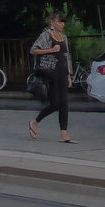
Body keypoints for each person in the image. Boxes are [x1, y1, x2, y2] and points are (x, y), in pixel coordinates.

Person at [28, 11, 76, 144]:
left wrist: (69, 75)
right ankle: (35, 122)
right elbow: (33, 50)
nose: (62, 24)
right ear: (52, 22)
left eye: (63, 22)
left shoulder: (64, 37)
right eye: (60, 21)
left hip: (62, 74)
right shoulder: (46, 35)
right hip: (50, 74)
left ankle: (64, 135)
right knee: (55, 104)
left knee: (64, 104)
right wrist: (51, 50)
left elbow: (67, 57)